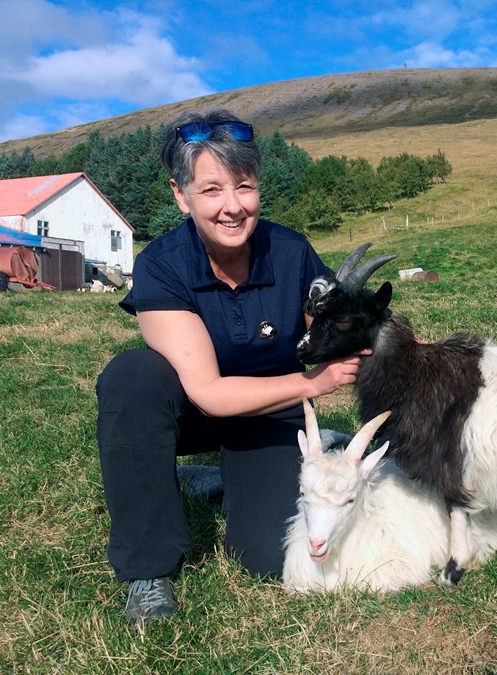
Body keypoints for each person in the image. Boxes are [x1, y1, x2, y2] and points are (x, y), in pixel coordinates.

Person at [96, 108, 366, 624]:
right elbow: (210, 393)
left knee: (266, 557)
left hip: (271, 413)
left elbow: (335, 322)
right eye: (212, 190)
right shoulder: (162, 264)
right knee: (131, 377)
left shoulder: (291, 252)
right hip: (196, 410)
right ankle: (148, 571)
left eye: (244, 187)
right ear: (181, 195)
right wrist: (317, 380)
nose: (232, 207)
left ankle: (224, 476)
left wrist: (374, 336)